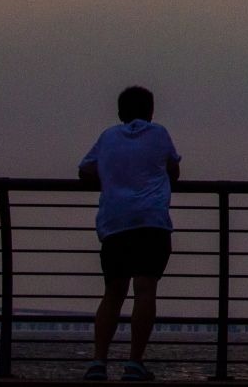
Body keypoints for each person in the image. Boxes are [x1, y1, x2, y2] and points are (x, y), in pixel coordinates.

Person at [78, 85, 181, 382]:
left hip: (115, 223)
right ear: (150, 112)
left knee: (113, 293)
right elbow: (173, 170)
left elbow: (85, 171)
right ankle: (135, 363)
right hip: (151, 221)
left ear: (120, 112)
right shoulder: (159, 134)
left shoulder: (108, 137)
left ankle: (98, 362)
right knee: (145, 290)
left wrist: (112, 174)